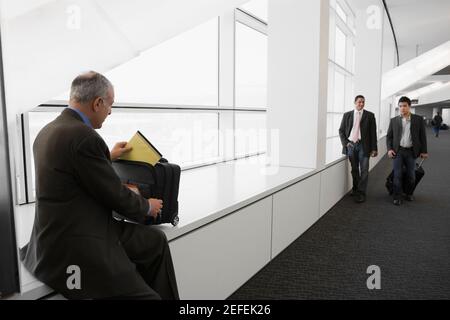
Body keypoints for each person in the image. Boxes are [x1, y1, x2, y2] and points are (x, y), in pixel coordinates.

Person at [20, 71, 179, 300]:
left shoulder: (49, 130)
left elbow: (72, 170)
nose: (110, 112)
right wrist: (147, 206)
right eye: (110, 105)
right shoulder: (85, 137)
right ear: (97, 103)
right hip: (77, 242)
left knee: (155, 241)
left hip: (52, 236)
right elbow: (114, 194)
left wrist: (108, 157)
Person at [386, 96, 428, 206]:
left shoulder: (418, 120)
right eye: (400, 106)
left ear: (409, 106)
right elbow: (389, 137)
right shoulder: (394, 121)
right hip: (398, 151)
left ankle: (409, 193)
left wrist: (424, 151)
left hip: (411, 152)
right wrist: (389, 149)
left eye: (405, 106)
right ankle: (397, 196)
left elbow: (422, 137)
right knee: (397, 175)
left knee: (411, 175)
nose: (402, 108)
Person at [339, 95, 378, 203]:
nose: (361, 104)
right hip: (351, 145)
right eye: (359, 102)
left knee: (364, 170)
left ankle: (361, 193)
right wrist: (346, 143)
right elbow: (341, 130)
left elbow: (373, 133)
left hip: (364, 146)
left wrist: (374, 148)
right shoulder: (347, 115)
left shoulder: (370, 115)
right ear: (355, 102)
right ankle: (355, 189)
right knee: (354, 169)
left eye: (363, 102)